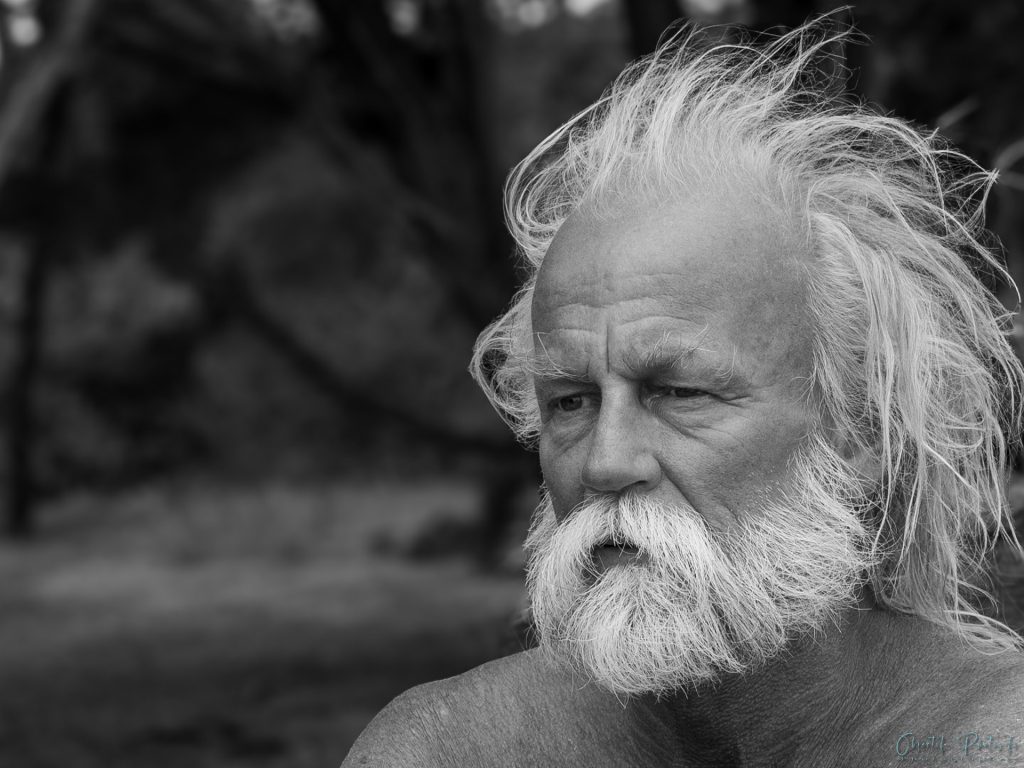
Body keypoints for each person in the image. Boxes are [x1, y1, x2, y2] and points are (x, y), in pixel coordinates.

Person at [344, 19, 1024, 767]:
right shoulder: (447, 751)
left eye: (677, 392)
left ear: (857, 431)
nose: (604, 464)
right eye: (570, 401)